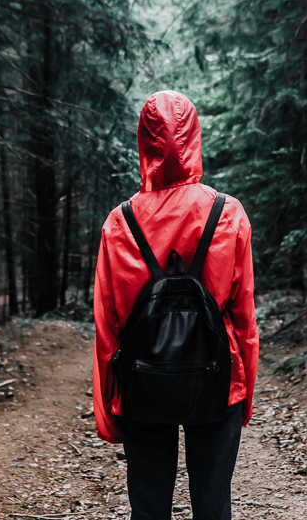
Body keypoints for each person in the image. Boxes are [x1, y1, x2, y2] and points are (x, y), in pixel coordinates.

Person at [92, 90, 259, 520]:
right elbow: (244, 318)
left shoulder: (119, 221)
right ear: (194, 138)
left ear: (144, 143)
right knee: (213, 505)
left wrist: (108, 402)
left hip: (142, 381)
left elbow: (108, 324)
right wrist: (245, 393)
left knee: (148, 511)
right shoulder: (229, 213)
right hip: (218, 380)